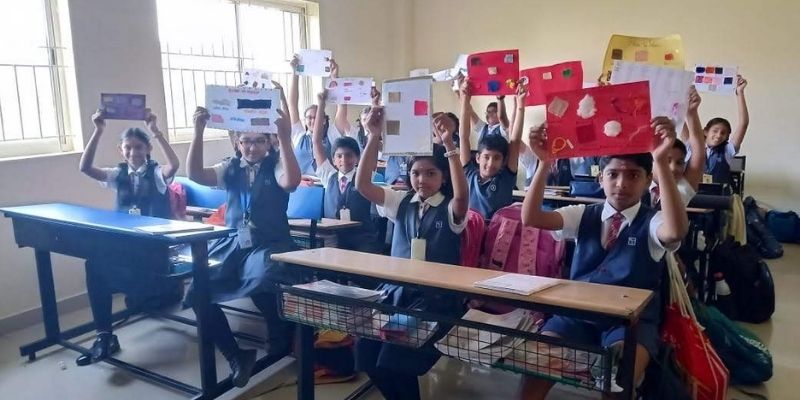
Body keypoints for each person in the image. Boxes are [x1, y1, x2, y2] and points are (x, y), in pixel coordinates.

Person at [519, 117, 689, 399]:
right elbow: (531, 217)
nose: (622, 184)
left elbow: (675, 231)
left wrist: (660, 161)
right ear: (601, 178)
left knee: (617, 379)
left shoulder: (652, 221)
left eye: (633, 175)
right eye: (613, 174)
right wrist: (545, 162)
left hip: (630, 324)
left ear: (648, 181)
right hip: (577, 315)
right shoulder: (583, 214)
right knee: (536, 368)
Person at [354, 107, 469, 400]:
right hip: (396, 294)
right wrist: (374, 136)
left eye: (431, 173)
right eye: (416, 173)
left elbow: (462, 196)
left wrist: (449, 145)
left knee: (394, 358)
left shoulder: (451, 209)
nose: (422, 180)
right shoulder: (401, 202)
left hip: (435, 300)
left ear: (443, 178)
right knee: (366, 354)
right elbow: (362, 185)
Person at [186, 106, 301, 387]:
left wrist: (285, 137)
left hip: (269, 243)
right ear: (238, 143)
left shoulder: (276, 165)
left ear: (269, 142)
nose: (252, 147)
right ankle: (236, 355)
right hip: (234, 243)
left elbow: (291, 182)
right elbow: (196, 175)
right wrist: (198, 131)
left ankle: (281, 336)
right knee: (197, 291)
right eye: (246, 141)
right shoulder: (231, 167)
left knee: (263, 279)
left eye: (259, 140)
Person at [76, 108, 180, 366]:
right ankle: (104, 335)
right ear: (121, 150)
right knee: (94, 266)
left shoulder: (156, 174)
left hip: (154, 251)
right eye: (128, 148)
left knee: (123, 274)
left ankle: (147, 297)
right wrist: (98, 130)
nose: (133, 152)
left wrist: (156, 132)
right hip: (127, 248)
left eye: (139, 147)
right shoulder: (118, 174)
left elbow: (174, 166)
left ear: (148, 149)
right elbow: (85, 167)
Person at [312, 90, 383, 253]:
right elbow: (316, 142)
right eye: (339, 156)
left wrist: (374, 105)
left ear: (358, 158)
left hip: (362, 240)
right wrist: (321, 104)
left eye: (349, 155)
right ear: (333, 159)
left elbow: (372, 141)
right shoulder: (329, 176)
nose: (344, 160)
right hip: (333, 239)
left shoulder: (364, 177)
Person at [459, 78, 522, 218]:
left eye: (497, 158)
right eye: (486, 157)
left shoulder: (505, 178)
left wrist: (520, 106)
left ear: (504, 161)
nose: (490, 163)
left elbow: (515, 140)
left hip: (498, 231)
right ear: (477, 158)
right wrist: (464, 99)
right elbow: (463, 137)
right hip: (471, 230)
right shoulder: (469, 174)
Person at [288, 56, 350, 175]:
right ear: (305, 120)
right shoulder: (299, 136)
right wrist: (295, 73)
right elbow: (292, 105)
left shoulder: (332, 135)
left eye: (316, 117)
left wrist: (334, 77)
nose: (313, 121)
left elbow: (342, 107)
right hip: (302, 185)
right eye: (309, 118)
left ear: (323, 120)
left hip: (326, 184)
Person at [691, 75, 749, 186]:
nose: (718, 135)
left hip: (719, 196)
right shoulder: (692, 147)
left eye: (723, 133)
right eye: (715, 131)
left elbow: (743, 124)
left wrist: (740, 93)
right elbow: (686, 119)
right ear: (705, 131)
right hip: (695, 194)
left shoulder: (727, 150)